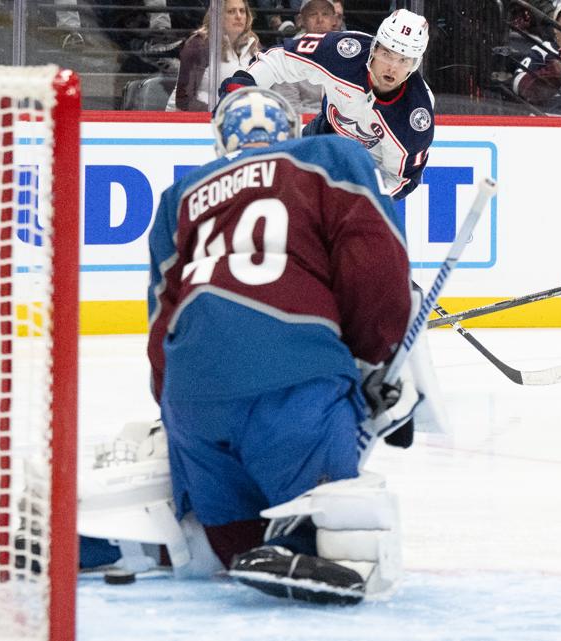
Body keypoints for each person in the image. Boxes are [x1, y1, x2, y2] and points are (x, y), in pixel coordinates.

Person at [146, 86, 416, 603]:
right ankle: (294, 542)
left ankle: (119, 544)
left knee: (229, 547)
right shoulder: (329, 156)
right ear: (291, 130)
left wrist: (172, 405)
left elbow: (161, 320)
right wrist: (372, 361)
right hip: (295, 382)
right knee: (323, 540)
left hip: (193, 403)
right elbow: (377, 266)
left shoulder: (178, 196)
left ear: (219, 139)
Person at [217, 8, 434, 200]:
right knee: (274, 186)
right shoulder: (344, 51)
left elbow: (402, 179)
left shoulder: (416, 117)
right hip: (323, 134)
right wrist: (247, 82)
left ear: (415, 65)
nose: (392, 68)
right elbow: (283, 59)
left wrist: (359, 195)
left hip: (366, 169)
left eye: (404, 60)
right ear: (375, 48)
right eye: (387, 53)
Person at [167, 0, 260, 111]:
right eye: (231, 11)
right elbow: (183, 101)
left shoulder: (254, 45)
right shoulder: (200, 44)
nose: (239, 16)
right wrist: (222, 113)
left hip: (233, 119)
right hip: (189, 120)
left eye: (242, 11)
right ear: (218, 16)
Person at [271, 0, 343, 114]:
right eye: (313, 14)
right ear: (300, 20)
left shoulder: (344, 53)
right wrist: (331, 121)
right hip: (303, 128)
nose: (320, 20)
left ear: (334, 20)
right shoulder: (286, 55)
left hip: (344, 128)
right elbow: (288, 108)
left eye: (325, 14)